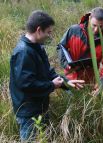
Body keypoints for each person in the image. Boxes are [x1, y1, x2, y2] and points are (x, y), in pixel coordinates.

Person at [9, 10, 85, 141]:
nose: (50, 36)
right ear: (39, 30)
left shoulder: (37, 47)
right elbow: (26, 84)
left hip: (40, 107)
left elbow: (48, 72)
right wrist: (52, 85)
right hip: (29, 113)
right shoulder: (23, 52)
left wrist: (66, 82)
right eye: (48, 32)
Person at [57, 7, 103, 93]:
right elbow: (61, 47)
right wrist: (65, 64)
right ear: (89, 19)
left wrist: (102, 82)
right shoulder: (74, 30)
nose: (96, 30)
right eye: (94, 25)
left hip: (90, 83)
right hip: (70, 79)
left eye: (100, 27)